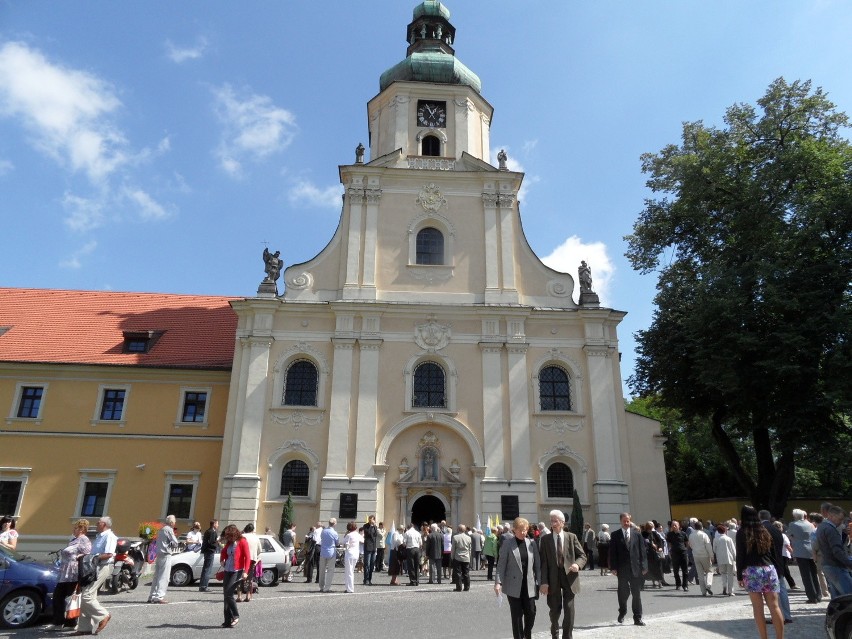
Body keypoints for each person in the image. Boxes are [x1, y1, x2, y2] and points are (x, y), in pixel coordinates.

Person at [736, 505, 784, 639]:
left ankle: (764, 637)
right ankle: (780, 637)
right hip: (769, 568)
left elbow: (740, 555)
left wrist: (739, 575)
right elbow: (773, 553)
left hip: (752, 570)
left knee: (758, 609)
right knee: (774, 607)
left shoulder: (742, 532)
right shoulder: (764, 530)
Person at [539, 509, 586, 639]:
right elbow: (543, 563)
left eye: (556, 521)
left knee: (569, 610)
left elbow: (582, 556)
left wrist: (577, 564)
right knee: (554, 610)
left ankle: (567, 636)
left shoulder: (572, 537)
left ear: (562, 522)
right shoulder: (545, 540)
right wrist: (543, 582)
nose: (553, 523)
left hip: (570, 577)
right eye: (551, 521)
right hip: (552, 578)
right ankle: (554, 632)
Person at [495, 517, 541, 639]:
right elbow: (501, 564)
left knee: (531, 612)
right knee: (516, 616)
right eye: (520, 530)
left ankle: (527, 633)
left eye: (525, 530)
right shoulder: (507, 544)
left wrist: (540, 582)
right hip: (513, 586)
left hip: (529, 585)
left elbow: (537, 565)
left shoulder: (532, 543)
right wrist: (498, 582)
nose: (523, 532)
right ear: (514, 530)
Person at [48, 519, 91, 630]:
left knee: (71, 598)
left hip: (73, 572)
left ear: (82, 529)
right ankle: (57, 622)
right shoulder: (73, 540)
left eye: (76, 527)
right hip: (64, 572)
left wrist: (79, 556)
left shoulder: (84, 540)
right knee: (58, 596)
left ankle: (71, 623)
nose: (74, 529)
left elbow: (88, 554)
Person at [77, 516, 116, 636]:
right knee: (87, 595)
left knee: (87, 595)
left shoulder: (110, 536)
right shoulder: (100, 536)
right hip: (94, 567)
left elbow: (109, 554)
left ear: (104, 524)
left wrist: (93, 557)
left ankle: (104, 615)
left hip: (103, 566)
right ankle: (84, 628)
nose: (96, 524)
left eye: (98, 522)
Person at [609, 513, 648, 626]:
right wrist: (613, 567)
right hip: (622, 570)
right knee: (623, 593)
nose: (626, 523)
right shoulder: (615, 535)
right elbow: (613, 553)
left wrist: (644, 566)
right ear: (620, 521)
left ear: (630, 521)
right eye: (624, 521)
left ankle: (637, 618)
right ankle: (622, 611)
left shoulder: (637, 535)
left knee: (636, 594)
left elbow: (642, 552)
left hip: (636, 569)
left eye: (628, 521)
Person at [758, 510, 793, 623]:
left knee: (771, 593)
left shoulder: (760, 530)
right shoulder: (777, 530)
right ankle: (787, 615)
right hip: (779, 562)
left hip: (767, 564)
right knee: (782, 590)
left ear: (759, 517)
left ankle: (777, 616)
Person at [816, 504, 852, 598]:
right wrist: (849, 563)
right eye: (839, 519)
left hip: (828, 564)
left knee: (837, 598)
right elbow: (837, 551)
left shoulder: (822, 527)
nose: (840, 523)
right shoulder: (831, 530)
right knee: (848, 596)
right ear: (831, 516)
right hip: (835, 566)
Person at [786, 509, 820, 603]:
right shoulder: (810, 524)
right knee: (813, 573)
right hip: (811, 549)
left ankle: (812, 597)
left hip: (801, 550)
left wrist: (794, 538)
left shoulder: (793, 524)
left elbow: (788, 534)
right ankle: (818, 594)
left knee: (806, 575)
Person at [220, 524, 250, 628]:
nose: (228, 538)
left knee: (228, 593)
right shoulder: (229, 543)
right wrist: (222, 560)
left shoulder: (242, 541)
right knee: (226, 596)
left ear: (234, 534)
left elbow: (248, 557)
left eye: (229, 536)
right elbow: (223, 552)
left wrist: (246, 572)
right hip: (228, 570)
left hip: (237, 571)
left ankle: (235, 615)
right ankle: (227, 621)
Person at [148, 514, 179, 604]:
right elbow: (175, 542)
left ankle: (152, 596)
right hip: (166, 554)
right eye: (174, 522)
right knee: (164, 577)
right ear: (172, 522)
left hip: (159, 554)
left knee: (156, 576)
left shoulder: (161, 529)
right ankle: (159, 596)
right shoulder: (169, 529)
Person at [688, 520, 714, 596]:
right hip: (705, 555)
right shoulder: (704, 535)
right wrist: (711, 556)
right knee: (709, 571)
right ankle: (708, 585)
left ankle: (703, 591)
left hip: (696, 555)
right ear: (702, 527)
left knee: (700, 574)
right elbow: (708, 546)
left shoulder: (691, 535)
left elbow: (691, 545)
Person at [239, 523, 261, 602]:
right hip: (252, 559)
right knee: (249, 578)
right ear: (253, 530)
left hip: (243, 559)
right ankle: (248, 595)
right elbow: (260, 550)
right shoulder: (256, 537)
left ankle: (240, 595)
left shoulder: (243, 536)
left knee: (240, 577)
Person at [713, 523, 736, 596]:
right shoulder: (728, 539)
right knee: (730, 574)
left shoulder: (716, 539)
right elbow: (733, 549)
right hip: (729, 558)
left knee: (723, 574)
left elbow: (714, 549)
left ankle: (724, 586)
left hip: (720, 559)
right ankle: (730, 591)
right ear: (725, 531)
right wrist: (735, 558)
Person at [667, 520, 690, 591]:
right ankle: (678, 584)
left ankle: (685, 585)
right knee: (676, 570)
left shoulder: (683, 534)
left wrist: (685, 550)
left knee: (685, 570)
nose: (674, 526)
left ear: (678, 526)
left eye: (675, 525)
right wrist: (670, 551)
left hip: (683, 553)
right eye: (672, 525)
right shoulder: (670, 534)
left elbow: (687, 543)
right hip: (674, 554)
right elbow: (669, 544)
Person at [318, 518, 339, 592]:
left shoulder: (323, 531)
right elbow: (337, 543)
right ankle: (327, 588)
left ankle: (321, 586)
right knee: (330, 570)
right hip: (331, 552)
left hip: (323, 551)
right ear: (335, 524)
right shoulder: (334, 533)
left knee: (322, 570)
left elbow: (321, 538)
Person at [199, 519, 219, 592]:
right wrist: (217, 542)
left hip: (206, 551)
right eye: (217, 524)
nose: (218, 525)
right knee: (208, 569)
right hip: (210, 551)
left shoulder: (207, 531)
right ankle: (204, 586)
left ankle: (202, 585)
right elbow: (211, 542)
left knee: (205, 568)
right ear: (214, 524)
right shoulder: (212, 532)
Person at [342, 521, 362, 593]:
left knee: (349, 571)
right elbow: (363, 540)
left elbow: (343, 542)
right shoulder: (357, 534)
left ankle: (350, 588)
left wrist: (346, 534)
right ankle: (348, 587)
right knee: (351, 570)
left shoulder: (349, 535)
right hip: (356, 553)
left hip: (349, 554)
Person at [642, 521, 664, 588]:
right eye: (649, 529)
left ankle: (660, 582)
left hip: (655, 553)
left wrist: (659, 547)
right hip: (647, 554)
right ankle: (653, 582)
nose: (650, 530)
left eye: (651, 528)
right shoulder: (643, 534)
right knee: (650, 568)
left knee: (658, 568)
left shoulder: (654, 533)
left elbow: (660, 541)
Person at [451, 524, 472, 591]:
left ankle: (459, 587)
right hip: (466, 557)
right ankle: (467, 587)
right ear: (464, 530)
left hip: (458, 557)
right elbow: (470, 549)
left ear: (458, 529)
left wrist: (452, 557)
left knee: (458, 573)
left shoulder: (455, 537)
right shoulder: (468, 538)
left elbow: (453, 549)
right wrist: (469, 556)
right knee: (466, 573)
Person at [362, 515, 378, 585]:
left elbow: (375, 535)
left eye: (371, 519)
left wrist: (374, 526)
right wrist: (371, 526)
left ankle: (370, 579)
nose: (370, 520)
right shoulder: (365, 526)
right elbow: (369, 533)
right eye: (369, 519)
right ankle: (366, 579)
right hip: (367, 547)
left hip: (373, 548)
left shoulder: (375, 527)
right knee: (367, 564)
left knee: (372, 565)